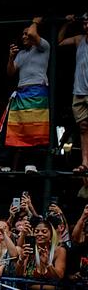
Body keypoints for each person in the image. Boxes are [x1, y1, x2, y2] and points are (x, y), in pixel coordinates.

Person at [0, 17, 50, 173]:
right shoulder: (21, 53)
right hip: (21, 93)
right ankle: (1, 161)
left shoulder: (44, 47)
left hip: (36, 92)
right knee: (10, 127)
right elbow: (11, 72)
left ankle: (30, 163)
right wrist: (11, 57)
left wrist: (35, 22)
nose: (24, 36)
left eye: (26, 34)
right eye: (22, 34)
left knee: (32, 129)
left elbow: (34, 34)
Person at [58, 13, 88, 172]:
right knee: (83, 126)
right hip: (79, 90)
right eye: (85, 23)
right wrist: (66, 24)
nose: (87, 26)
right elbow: (60, 41)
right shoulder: (79, 39)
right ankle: (85, 162)